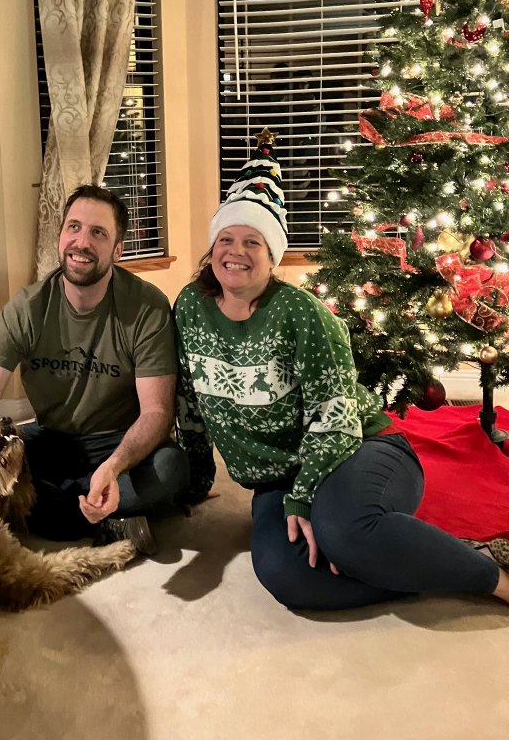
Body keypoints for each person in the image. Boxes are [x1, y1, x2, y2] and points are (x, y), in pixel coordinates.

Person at [174, 129, 509, 610]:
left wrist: (303, 496)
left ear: (272, 256)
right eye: (226, 238)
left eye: (253, 241)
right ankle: (412, 563)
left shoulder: (302, 313)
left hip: (358, 445)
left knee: (343, 532)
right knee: (286, 576)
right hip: (276, 476)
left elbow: (336, 418)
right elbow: (189, 397)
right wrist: (196, 478)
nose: (236, 251)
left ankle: (488, 573)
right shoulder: (191, 306)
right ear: (212, 249)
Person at [0, 183, 188, 555]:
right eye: (74, 227)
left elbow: (156, 412)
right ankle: (111, 517)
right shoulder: (27, 308)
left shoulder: (147, 307)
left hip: (120, 440)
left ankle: (73, 508)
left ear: (118, 249)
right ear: (60, 236)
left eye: (98, 233)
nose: (82, 242)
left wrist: (115, 466)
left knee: (171, 468)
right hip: (53, 440)